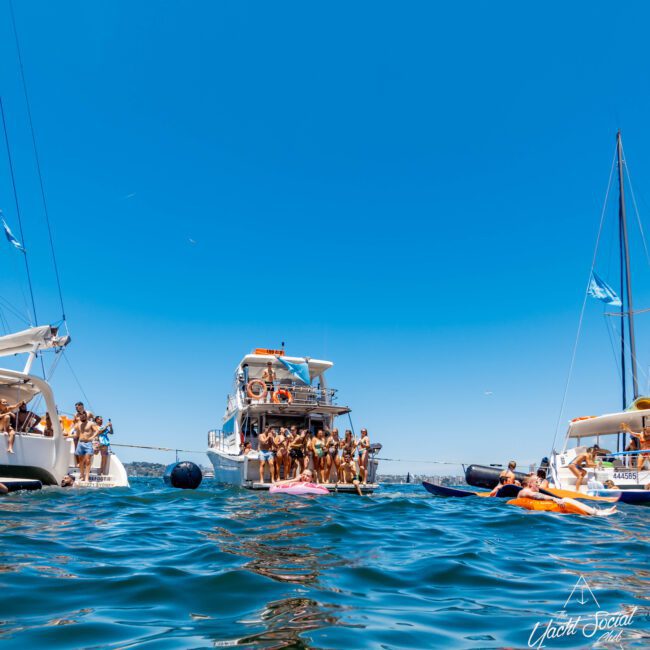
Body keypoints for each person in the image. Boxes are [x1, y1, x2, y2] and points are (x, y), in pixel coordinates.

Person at [520, 474, 616, 516]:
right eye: (536, 482)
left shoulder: (526, 492)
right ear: (530, 484)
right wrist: (554, 499)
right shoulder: (525, 491)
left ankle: (598, 512)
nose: (538, 484)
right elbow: (536, 495)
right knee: (566, 499)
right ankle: (597, 513)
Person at [75, 411, 101, 482]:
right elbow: (76, 435)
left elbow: (97, 431)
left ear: (86, 416)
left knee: (88, 460)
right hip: (80, 443)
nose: (82, 417)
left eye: (83, 416)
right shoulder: (79, 424)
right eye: (81, 416)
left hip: (88, 444)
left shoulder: (91, 423)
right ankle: (82, 475)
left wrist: (92, 437)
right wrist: (67, 436)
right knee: (80, 461)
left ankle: (87, 478)